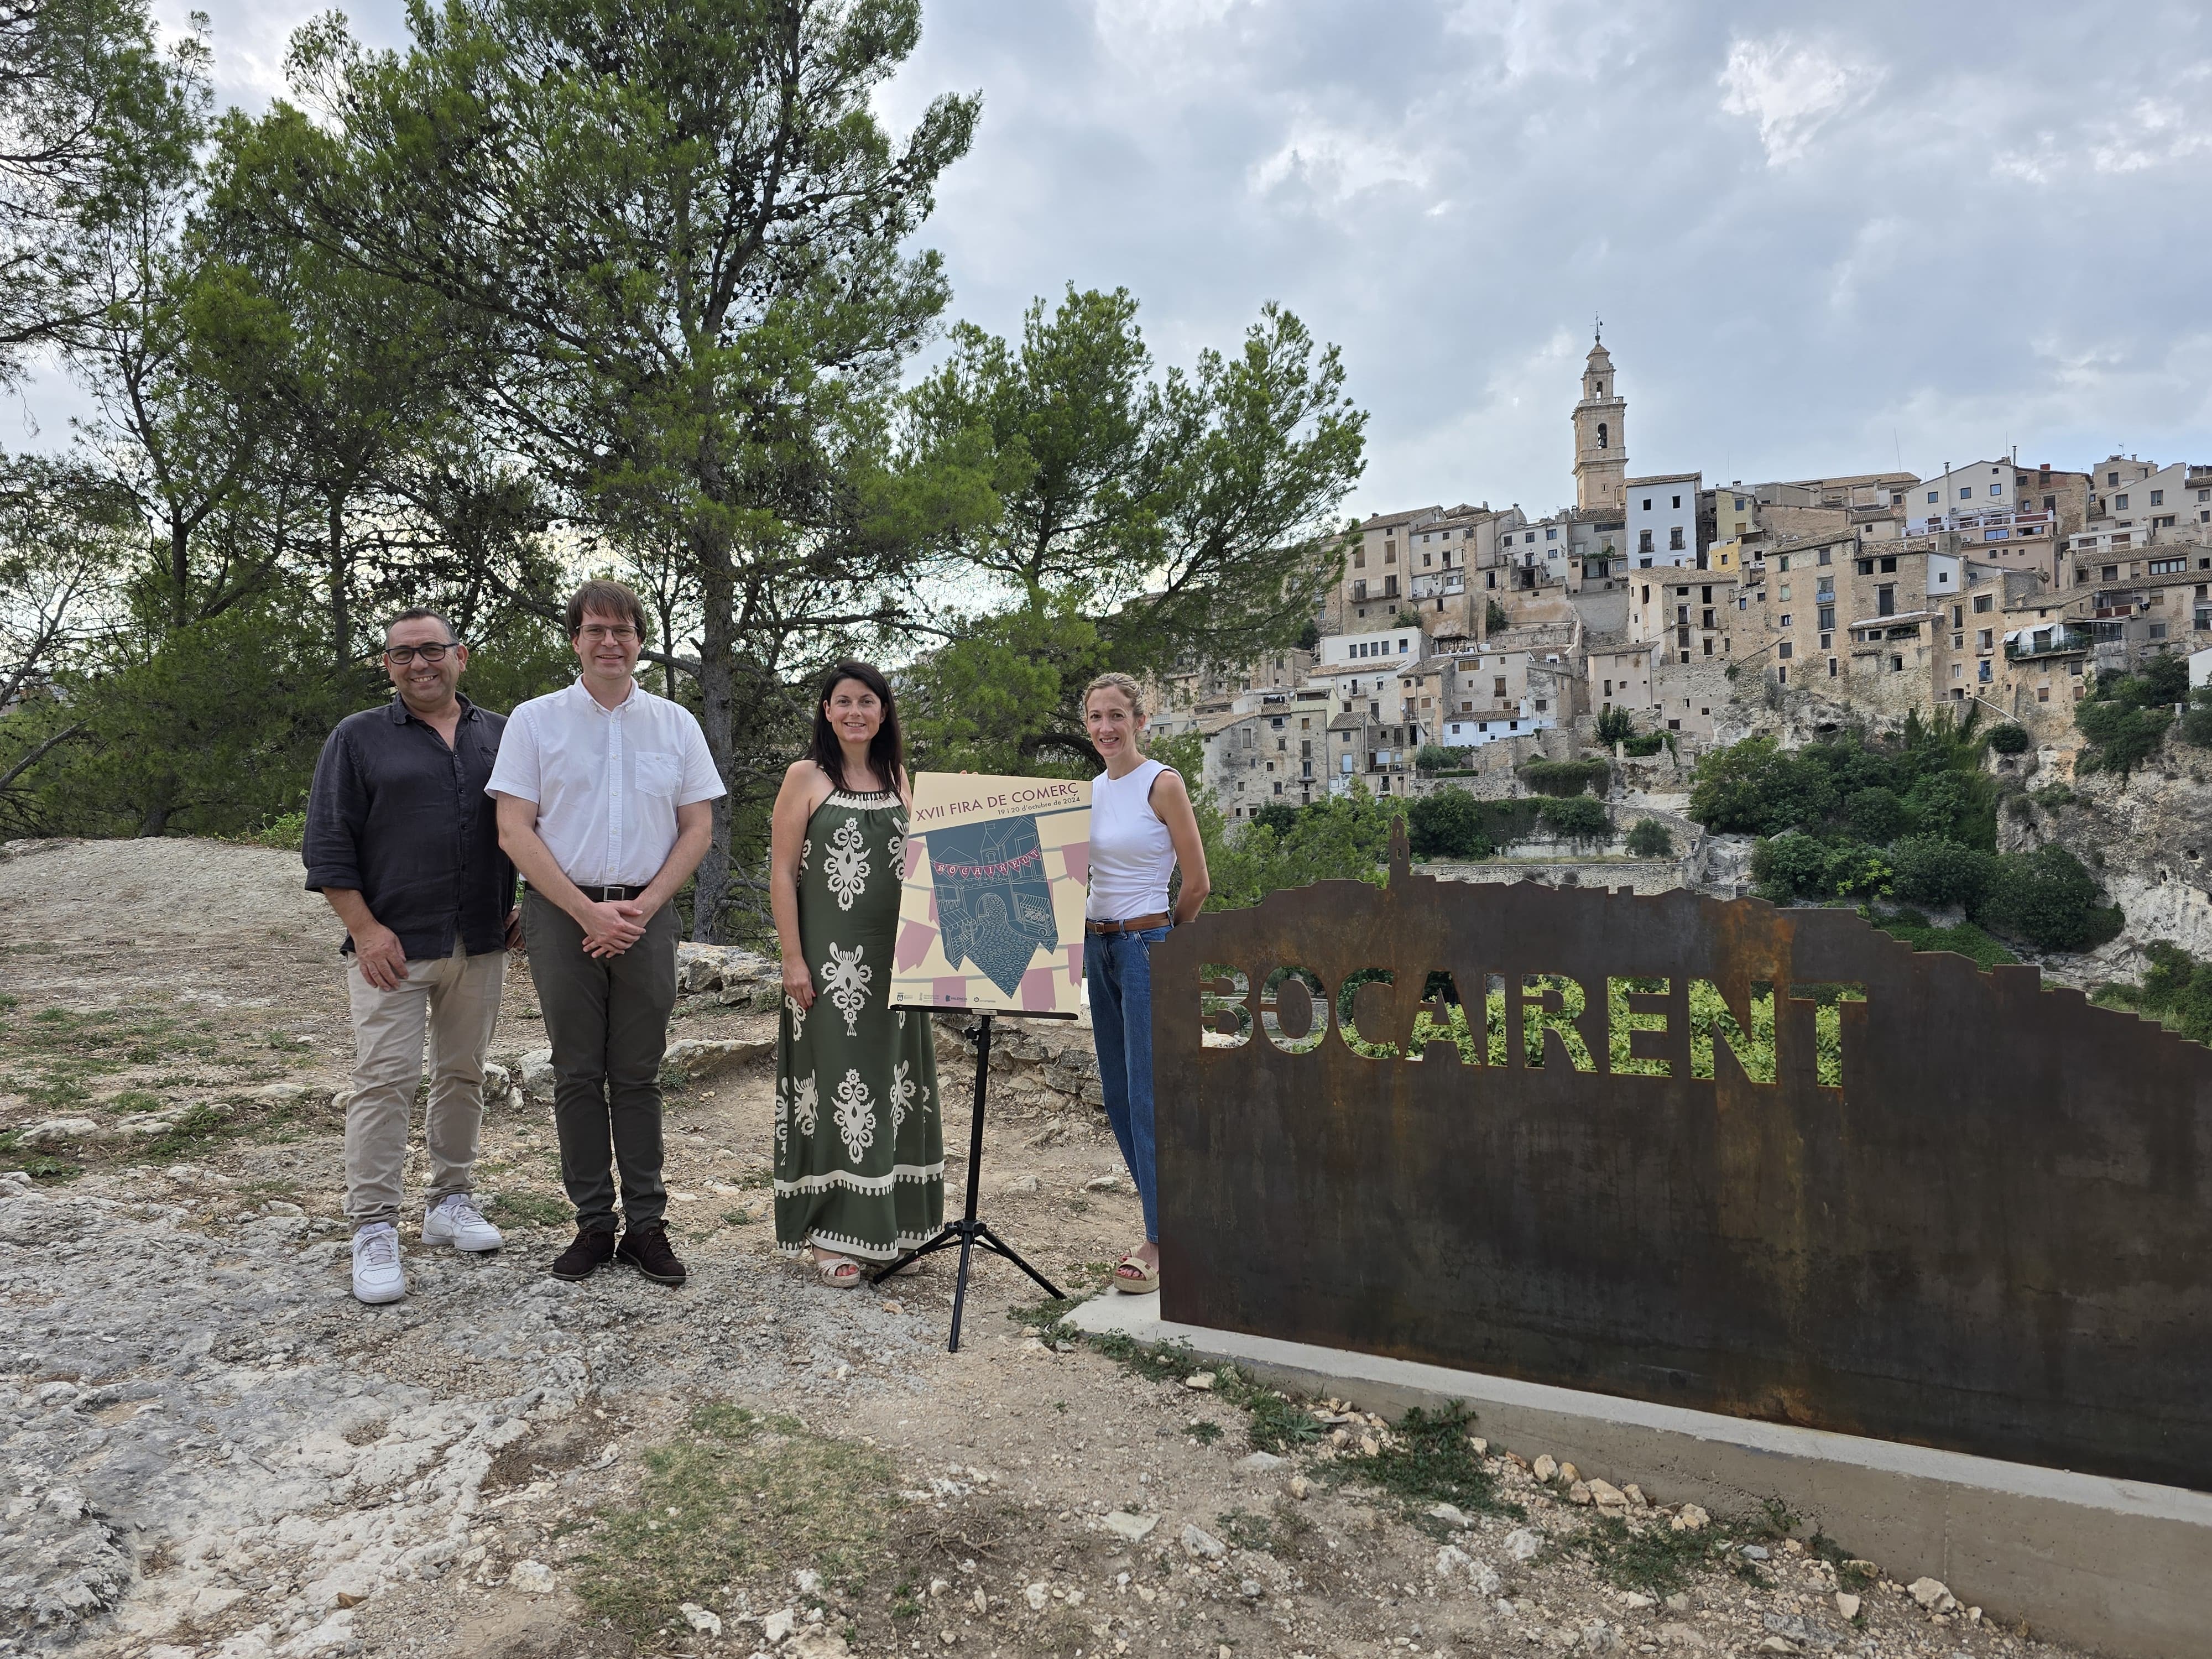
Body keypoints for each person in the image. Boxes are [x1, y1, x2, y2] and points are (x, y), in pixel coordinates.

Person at [489, 580, 723, 1287]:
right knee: (576, 1073)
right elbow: (513, 829)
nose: (610, 642)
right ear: (574, 639)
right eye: (596, 630)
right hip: (562, 918)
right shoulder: (535, 721)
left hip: (645, 918)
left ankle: (646, 1227)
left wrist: (643, 908)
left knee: (639, 1075)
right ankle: (594, 1224)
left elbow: (698, 829)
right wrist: (587, 914)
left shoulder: (676, 725)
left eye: (623, 631)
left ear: (641, 642)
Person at [304, 608, 519, 1306]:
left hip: (481, 941)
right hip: (390, 948)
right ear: (388, 665)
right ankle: (373, 1227)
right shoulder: (358, 738)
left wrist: (529, 906)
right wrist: (364, 928)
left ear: (463, 655)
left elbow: (536, 828)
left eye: (432, 650)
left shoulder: (505, 736)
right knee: (385, 1080)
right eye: (403, 655)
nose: (419, 664)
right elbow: (328, 842)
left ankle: (448, 1203)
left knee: (462, 1075)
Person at [767, 661, 943, 1286]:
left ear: (884, 711)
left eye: (867, 701)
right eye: (842, 702)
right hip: (830, 967)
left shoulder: (898, 776)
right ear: (825, 711)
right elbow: (783, 873)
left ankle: (886, 1226)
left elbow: (925, 865)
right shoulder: (805, 777)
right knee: (838, 1087)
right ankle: (828, 1232)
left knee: (892, 1085)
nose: (854, 713)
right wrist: (792, 958)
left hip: (898, 964)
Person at [1081, 672, 1208, 1294]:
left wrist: (1168, 946)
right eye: (1095, 718)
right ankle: (1169, 1223)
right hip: (1094, 944)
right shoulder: (1090, 791)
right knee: (1117, 1094)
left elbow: (1197, 881)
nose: (1106, 728)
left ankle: (1161, 1240)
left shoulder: (1162, 783)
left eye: (1116, 716)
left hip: (1143, 944)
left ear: (1138, 721)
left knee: (1148, 1095)